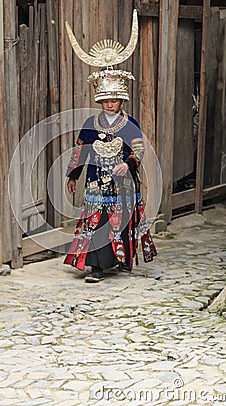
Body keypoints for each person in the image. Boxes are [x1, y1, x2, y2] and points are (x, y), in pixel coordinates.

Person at [63, 68, 157, 282]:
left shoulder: (130, 125)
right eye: (106, 101)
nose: (110, 105)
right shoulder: (90, 125)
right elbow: (80, 151)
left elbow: (138, 149)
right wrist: (73, 176)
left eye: (114, 100)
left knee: (121, 220)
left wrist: (128, 164)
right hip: (96, 181)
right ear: (100, 102)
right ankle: (97, 266)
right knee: (97, 220)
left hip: (123, 182)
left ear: (121, 100)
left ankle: (120, 259)